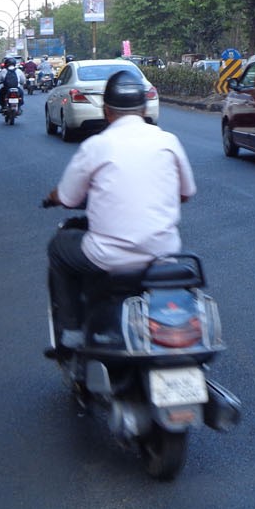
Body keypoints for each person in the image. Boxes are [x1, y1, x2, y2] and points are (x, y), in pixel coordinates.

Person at [42, 71, 197, 353]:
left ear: (106, 111)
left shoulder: (97, 146)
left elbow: (67, 196)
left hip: (108, 256)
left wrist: (51, 198)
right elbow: (186, 193)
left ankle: (72, 332)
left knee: (58, 248)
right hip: (164, 253)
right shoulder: (168, 141)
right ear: (143, 108)